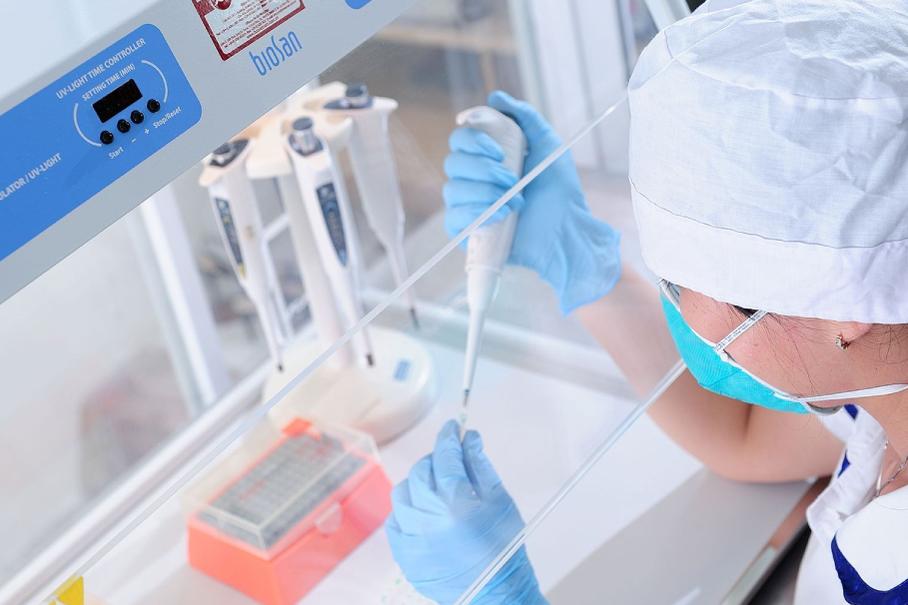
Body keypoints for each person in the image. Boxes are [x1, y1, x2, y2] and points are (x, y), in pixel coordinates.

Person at [385, 0, 908, 603]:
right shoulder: (882, 379)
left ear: (841, 305)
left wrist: (502, 597)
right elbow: (741, 440)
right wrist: (583, 264)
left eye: (684, 284)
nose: (681, 311)